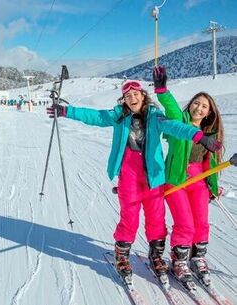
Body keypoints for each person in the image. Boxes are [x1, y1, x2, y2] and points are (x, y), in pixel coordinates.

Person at [46, 80, 222, 281]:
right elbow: (94, 116)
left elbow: (176, 127)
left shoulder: (155, 116)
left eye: (136, 94)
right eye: (128, 96)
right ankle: (121, 255)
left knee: (156, 217)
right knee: (129, 217)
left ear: (143, 96)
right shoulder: (119, 116)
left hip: (153, 176)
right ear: (124, 100)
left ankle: (156, 256)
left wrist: (198, 136)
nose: (133, 98)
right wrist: (66, 111)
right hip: (129, 174)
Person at [153, 66, 224, 286]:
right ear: (190, 104)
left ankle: (198, 257)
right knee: (185, 222)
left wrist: (213, 186)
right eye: (196, 103)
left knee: (201, 222)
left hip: (199, 181)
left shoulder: (211, 134)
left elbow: (210, 164)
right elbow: (171, 108)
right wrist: (162, 90)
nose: (199, 108)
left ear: (209, 112)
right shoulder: (179, 123)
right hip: (177, 180)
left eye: (204, 106)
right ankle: (179, 259)